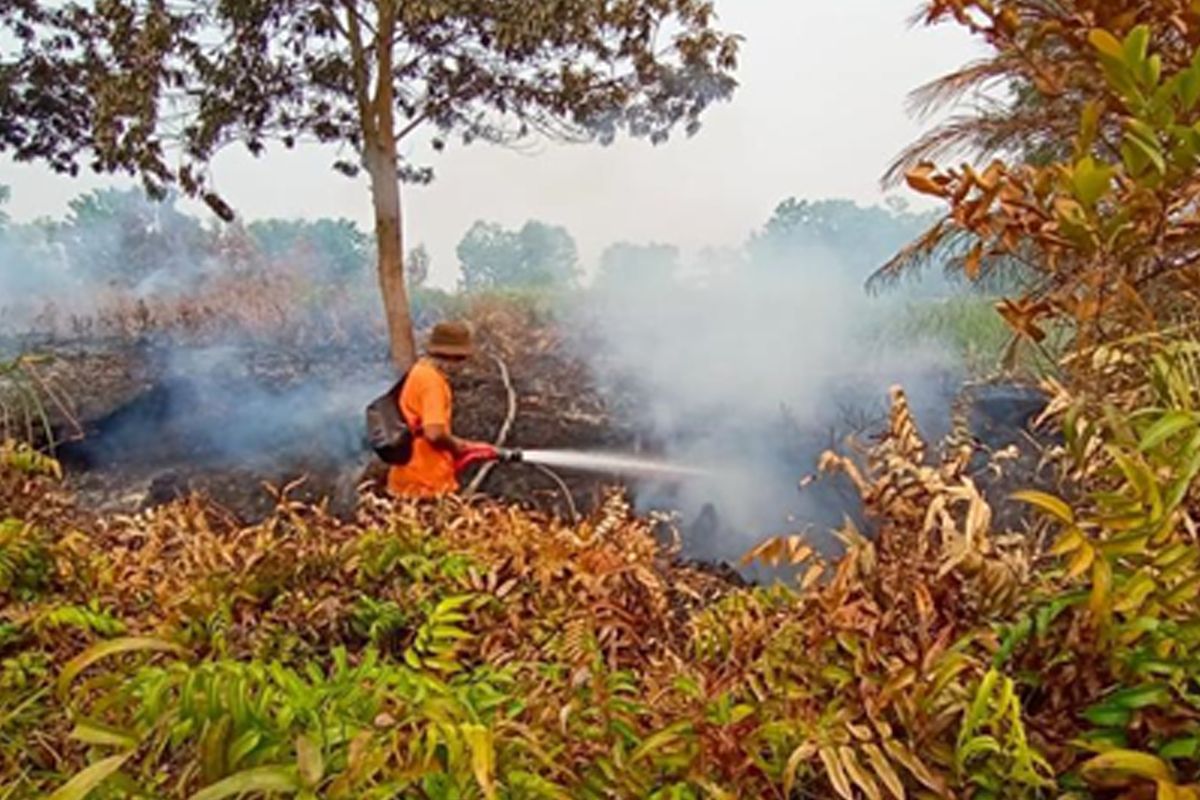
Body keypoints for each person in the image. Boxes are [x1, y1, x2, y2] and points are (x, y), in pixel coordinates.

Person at [387, 321, 493, 498]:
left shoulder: (418, 372)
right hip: (426, 484)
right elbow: (434, 433)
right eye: (462, 360)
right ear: (453, 357)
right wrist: (457, 446)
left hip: (405, 477)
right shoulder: (432, 383)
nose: (463, 367)